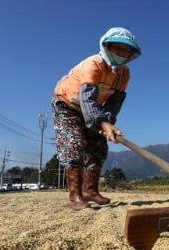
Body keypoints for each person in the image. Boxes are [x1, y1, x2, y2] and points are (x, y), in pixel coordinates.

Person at [51, 27, 141, 210]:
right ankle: (75, 195)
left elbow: (115, 101)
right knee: (74, 145)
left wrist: (108, 122)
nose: (121, 54)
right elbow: (87, 97)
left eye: (126, 51)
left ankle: (90, 190)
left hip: (93, 111)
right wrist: (102, 122)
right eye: (117, 48)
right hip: (67, 104)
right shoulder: (94, 64)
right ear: (106, 47)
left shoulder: (124, 74)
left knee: (98, 148)